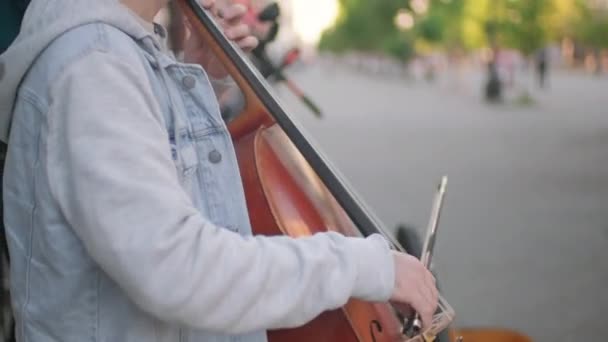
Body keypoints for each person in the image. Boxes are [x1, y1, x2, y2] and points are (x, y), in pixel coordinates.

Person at [0, 0, 438, 341]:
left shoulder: (119, 53)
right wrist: (364, 265)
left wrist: (197, 79)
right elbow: (179, 267)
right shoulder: (93, 68)